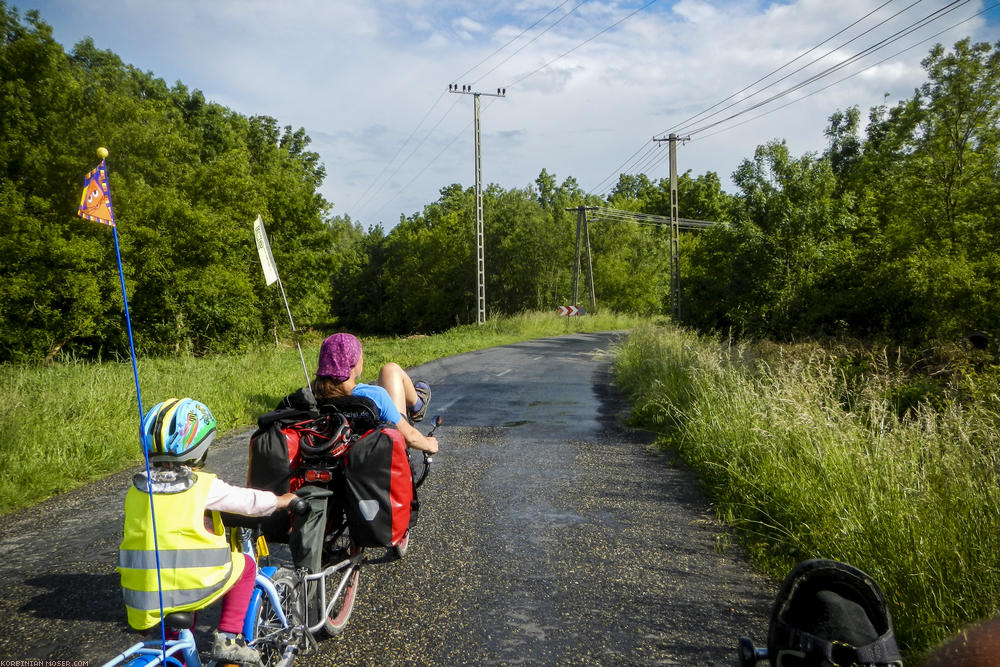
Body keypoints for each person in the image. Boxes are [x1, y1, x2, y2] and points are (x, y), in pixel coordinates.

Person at [118, 398, 298, 666]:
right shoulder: (201, 485)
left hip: (140, 592)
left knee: (177, 593)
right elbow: (248, 501)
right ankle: (228, 638)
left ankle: (175, 647)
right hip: (192, 581)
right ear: (200, 447)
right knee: (246, 566)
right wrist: (282, 501)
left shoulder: (137, 488)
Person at [280, 332, 438, 454]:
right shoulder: (375, 395)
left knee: (390, 370)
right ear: (353, 363)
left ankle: (417, 404)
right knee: (391, 370)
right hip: (371, 457)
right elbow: (409, 436)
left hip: (333, 453)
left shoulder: (310, 397)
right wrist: (428, 444)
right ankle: (417, 404)